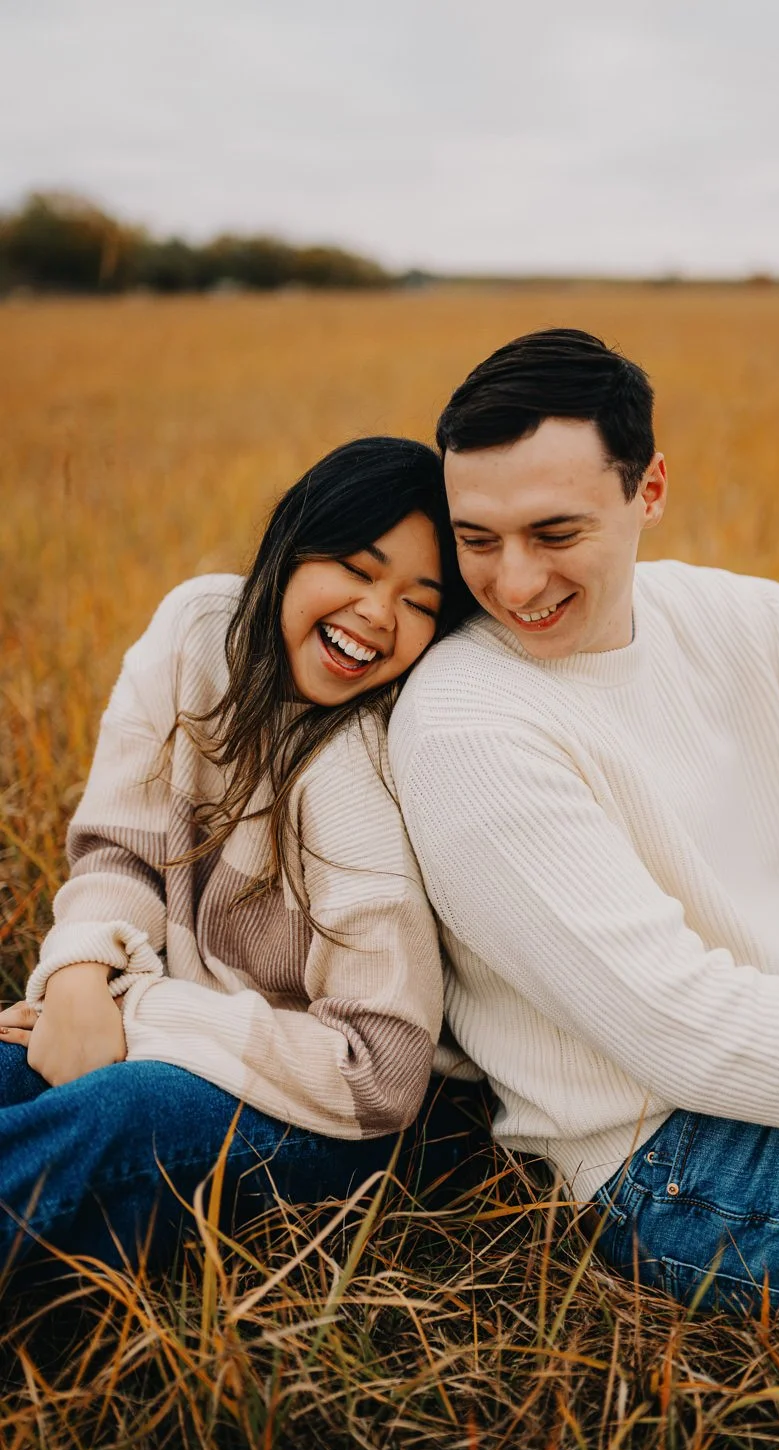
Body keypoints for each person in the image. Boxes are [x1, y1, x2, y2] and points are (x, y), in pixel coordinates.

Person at [388, 328, 779, 1322]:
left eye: (554, 533)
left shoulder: (719, 618)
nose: (510, 584)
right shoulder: (469, 729)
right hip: (676, 1163)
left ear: (650, 492)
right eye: (476, 539)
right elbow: (691, 1037)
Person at [0, 435, 478, 1277]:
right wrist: (79, 977)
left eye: (420, 601)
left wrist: (140, 1016)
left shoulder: (362, 770)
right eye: (359, 569)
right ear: (290, 547)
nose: (377, 611)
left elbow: (382, 1070)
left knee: (124, 1112)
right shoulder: (197, 632)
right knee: (12, 1063)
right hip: (190, 1022)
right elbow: (123, 848)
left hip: (343, 1121)